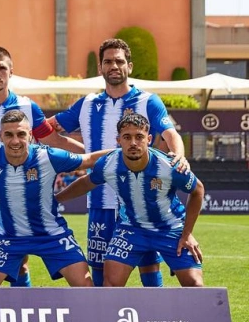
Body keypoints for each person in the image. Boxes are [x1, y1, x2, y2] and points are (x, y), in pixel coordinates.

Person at [48, 38, 190, 287]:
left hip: (141, 202)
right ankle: (104, 314)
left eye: (119, 61)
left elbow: (170, 134)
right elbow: (47, 130)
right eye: (108, 62)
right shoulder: (87, 104)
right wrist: (86, 155)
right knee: (101, 271)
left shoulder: (148, 101)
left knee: (149, 266)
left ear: (129, 66)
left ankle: (152, 311)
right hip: (100, 200)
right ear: (100, 68)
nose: (114, 66)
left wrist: (179, 155)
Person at [0, 46, 85, 287]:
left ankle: (20, 311)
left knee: (19, 267)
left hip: (18, 206)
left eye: (2, 68)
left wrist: (95, 155)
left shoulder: (28, 107)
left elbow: (54, 140)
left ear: (11, 72)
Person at [0, 110, 108, 287]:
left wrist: (124, 151)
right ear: (0, 136)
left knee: (85, 287)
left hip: (52, 236)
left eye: (21, 134)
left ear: (30, 135)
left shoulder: (48, 157)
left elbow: (89, 159)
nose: (15, 141)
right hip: (9, 237)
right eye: (8, 135)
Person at [56, 113, 204, 287]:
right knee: (111, 284)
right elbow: (86, 183)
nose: (133, 143)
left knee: (195, 285)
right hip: (131, 228)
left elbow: (198, 190)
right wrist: (56, 199)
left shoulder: (169, 166)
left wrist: (186, 234)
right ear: (119, 140)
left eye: (139, 137)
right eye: (127, 137)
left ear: (149, 139)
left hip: (170, 228)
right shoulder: (108, 163)